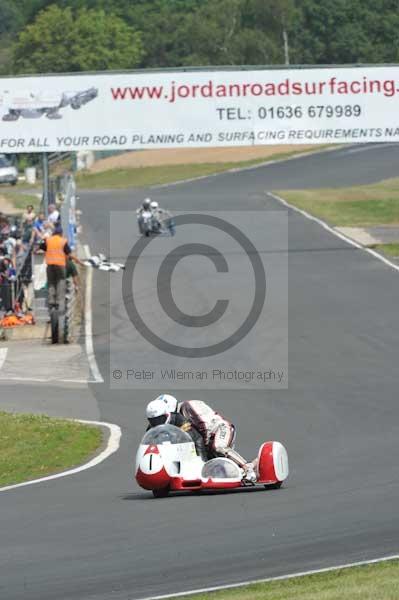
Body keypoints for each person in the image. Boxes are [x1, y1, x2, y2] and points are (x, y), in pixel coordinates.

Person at [145, 395, 257, 483]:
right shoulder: (170, 420)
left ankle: (248, 469)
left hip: (219, 429)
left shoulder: (188, 407)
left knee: (218, 447)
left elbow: (204, 426)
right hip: (203, 439)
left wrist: (204, 450)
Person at [146, 395, 208, 461]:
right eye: (153, 420)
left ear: (167, 415)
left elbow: (197, 439)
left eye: (159, 419)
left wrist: (201, 461)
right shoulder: (151, 427)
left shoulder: (180, 421)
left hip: (182, 452)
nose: (156, 423)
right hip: (164, 456)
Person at [39, 224, 71, 313]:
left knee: (51, 282)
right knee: (61, 281)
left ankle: (51, 301)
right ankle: (58, 301)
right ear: (61, 233)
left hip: (50, 265)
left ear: (53, 233)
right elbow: (68, 253)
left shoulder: (48, 240)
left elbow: (41, 246)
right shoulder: (63, 241)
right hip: (60, 265)